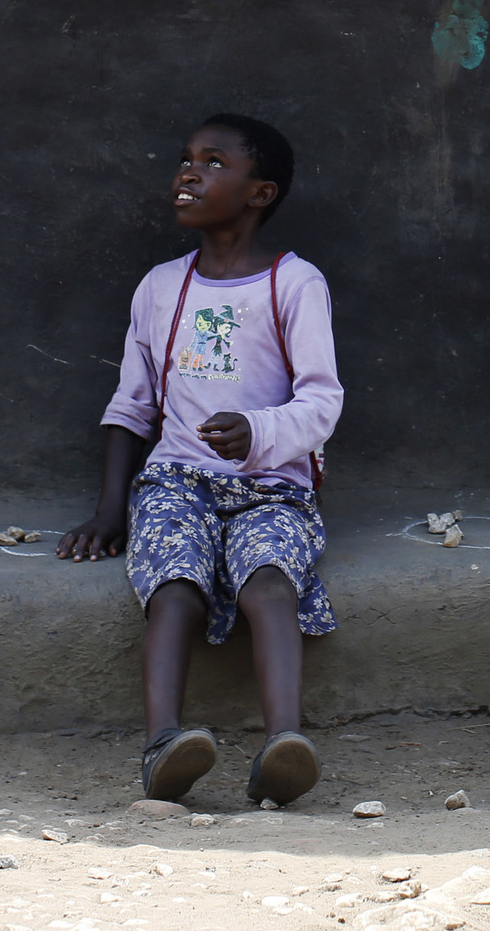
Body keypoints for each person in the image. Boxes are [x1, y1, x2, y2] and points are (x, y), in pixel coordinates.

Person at [58, 115, 342, 809]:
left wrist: (258, 429)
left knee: (268, 582)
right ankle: (164, 744)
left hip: (273, 487)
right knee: (175, 586)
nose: (188, 172)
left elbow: (322, 400)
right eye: (186, 158)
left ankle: (284, 741)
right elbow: (132, 405)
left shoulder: (294, 283)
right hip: (176, 480)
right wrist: (109, 508)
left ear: (260, 191)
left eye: (214, 162)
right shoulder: (160, 287)